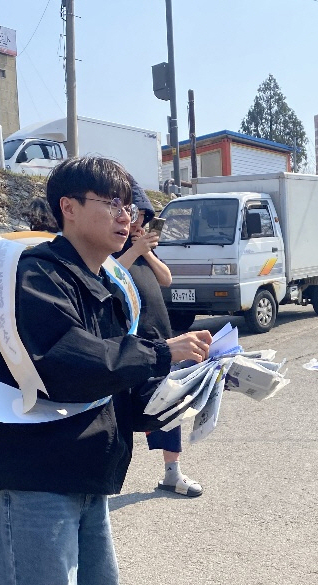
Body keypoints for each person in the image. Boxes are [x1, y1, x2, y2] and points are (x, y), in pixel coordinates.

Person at [0, 156, 212, 585]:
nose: (127, 217)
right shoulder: (36, 276)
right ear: (68, 209)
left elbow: (115, 383)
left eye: (130, 207)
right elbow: (65, 363)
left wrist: (187, 390)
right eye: (112, 203)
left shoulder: (108, 283)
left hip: (87, 468)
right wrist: (162, 354)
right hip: (34, 471)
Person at [114, 176, 203, 497]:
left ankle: (172, 472)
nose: (137, 222)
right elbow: (109, 276)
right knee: (121, 411)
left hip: (160, 337)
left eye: (143, 216)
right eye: (133, 214)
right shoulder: (112, 246)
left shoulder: (143, 248)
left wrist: (147, 252)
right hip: (129, 342)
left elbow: (166, 279)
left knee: (169, 403)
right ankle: (105, 480)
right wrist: (134, 249)